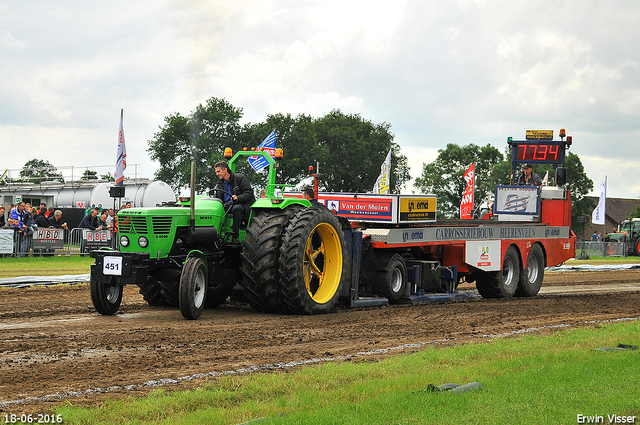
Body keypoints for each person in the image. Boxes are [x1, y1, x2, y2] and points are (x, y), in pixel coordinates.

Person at [212, 161, 255, 244]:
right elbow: (217, 196)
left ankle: (235, 236)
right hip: (226, 206)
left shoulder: (240, 178)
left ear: (225, 170)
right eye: (216, 172)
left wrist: (238, 197)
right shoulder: (219, 184)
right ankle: (217, 234)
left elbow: (249, 193)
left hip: (241, 204)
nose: (217, 174)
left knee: (237, 208)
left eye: (218, 171)